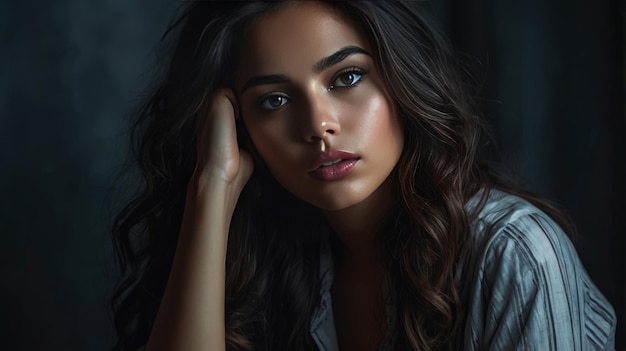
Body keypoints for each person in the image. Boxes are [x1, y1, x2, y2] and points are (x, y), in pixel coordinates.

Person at [110, 1, 616, 350]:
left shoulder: (515, 254)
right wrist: (212, 187)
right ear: (242, 129)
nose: (318, 126)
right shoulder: (275, 256)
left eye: (346, 77)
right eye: (275, 101)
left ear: (401, 79)